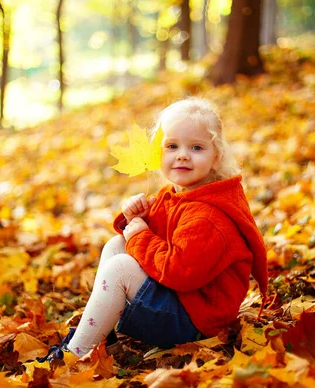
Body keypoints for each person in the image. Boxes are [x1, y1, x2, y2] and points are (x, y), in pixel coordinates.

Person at [38, 98, 268, 363]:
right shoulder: (179, 195)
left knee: (121, 267)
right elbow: (151, 240)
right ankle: (103, 340)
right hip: (185, 302)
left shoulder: (209, 216)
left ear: (216, 157)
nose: (182, 154)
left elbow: (178, 271)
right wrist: (135, 218)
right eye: (172, 146)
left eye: (196, 147)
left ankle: (74, 357)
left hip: (198, 322)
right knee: (115, 246)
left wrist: (140, 235)